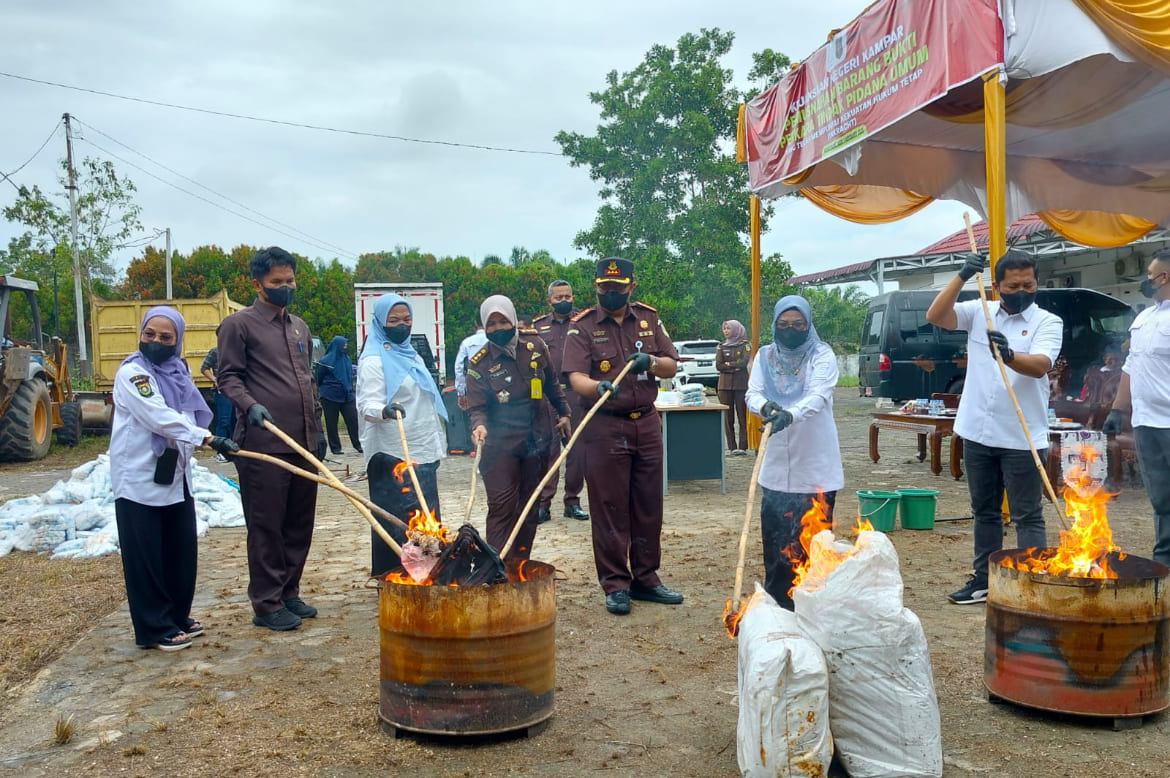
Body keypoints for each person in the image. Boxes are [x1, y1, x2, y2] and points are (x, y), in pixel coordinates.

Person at [926, 249, 1062, 604]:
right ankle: (984, 580)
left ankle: (1032, 582)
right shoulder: (979, 312)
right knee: (984, 511)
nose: (1021, 291)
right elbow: (936, 315)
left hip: (1022, 435)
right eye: (1013, 285)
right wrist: (961, 275)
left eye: (1028, 284)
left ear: (1036, 283)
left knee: (1027, 515)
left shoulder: (1048, 321)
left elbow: (1041, 365)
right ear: (997, 286)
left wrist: (1011, 355)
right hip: (976, 431)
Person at [110, 306, 238, 651]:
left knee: (179, 550)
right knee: (147, 555)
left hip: (175, 476)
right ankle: (154, 627)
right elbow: (157, 415)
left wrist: (200, 435)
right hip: (139, 476)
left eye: (166, 337)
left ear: (177, 339)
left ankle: (177, 615)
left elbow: (184, 410)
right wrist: (205, 437)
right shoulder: (133, 373)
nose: (156, 342)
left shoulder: (178, 371)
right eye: (149, 334)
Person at [562, 256, 684, 615]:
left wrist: (652, 363)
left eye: (617, 289)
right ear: (596, 287)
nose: (610, 294)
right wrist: (595, 387)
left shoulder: (648, 318)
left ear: (632, 287)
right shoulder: (581, 326)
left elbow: (671, 364)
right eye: (604, 289)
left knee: (648, 505)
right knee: (609, 506)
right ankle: (616, 584)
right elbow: (575, 377)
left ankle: (646, 579)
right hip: (604, 425)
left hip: (645, 422)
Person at [217, 246, 324, 631]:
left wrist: (319, 430)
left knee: (299, 523)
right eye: (277, 282)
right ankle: (266, 603)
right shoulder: (238, 325)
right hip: (263, 445)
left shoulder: (299, 327)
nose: (285, 287)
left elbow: (308, 381)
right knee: (267, 526)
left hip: (302, 444)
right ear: (257, 283)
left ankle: (289, 593)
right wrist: (250, 406)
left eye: (290, 281)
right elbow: (227, 376)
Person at [745, 297, 843, 609]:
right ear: (775, 325)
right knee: (776, 547)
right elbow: (753, 393)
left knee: (814, 547)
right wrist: (766, 407)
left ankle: (814, 609)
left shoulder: (822, 355)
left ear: (808, 325)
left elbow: (817, 395)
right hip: (774, 464)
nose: (791, 330)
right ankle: (777, 610)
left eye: (798, 325)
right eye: (784, 325)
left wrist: (790, 414)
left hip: (816, 464)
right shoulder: (764, 356)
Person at [466, 295, 570, 561]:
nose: (498, 328)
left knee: (529, 506)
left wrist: (564, 413)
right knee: (502, 506)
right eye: (492, 324)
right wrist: (479, 426)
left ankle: (519, 565)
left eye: (503, 321)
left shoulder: (535, 345)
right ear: (483, 327)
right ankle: (497, 567)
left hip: (537, 440)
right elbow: (476, 407)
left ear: (513, 320)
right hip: (499, 446)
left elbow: (552, 385)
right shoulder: (479, 363)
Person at [356, 293, 448, 576]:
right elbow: (365, 404)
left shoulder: (412, 354)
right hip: (392, 453)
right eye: (394, 320)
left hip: (421, 448)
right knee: (396, 520)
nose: (402, 325)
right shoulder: (374, 359)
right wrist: (384, 410)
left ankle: (426, 572)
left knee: (425, 514)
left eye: (407, 319)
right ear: (381, 323)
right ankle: (394, 576)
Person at [1103, 250, 1170, 564]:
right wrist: (1117, 409)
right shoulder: (1144, 317)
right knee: (1160, 497)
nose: (1146, 279)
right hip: (1146, 423)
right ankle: (1164, 558)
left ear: (1164, 277)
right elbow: (1131, 366)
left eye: (1149, 274)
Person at [533, 280, 590, 523]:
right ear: (549, 301)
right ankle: (543, 504)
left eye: (567, 296)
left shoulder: (584, 322)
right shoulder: (538, 327)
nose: (564, 300)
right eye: (558, 297)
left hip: (577, 395)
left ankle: (572, 501)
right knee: (548, 451)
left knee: (577, 451)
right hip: (548, 398)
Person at [316, 335, 362, 455]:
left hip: (347, 395)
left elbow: (349, 375)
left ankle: (358, 445)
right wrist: (323, 390)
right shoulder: (325, 361)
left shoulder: (346, 359)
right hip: (330, 396)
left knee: (353, 420)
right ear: (337, 346)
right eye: (344, 345)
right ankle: (335, 448)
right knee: (331, 423)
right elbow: (318, 378)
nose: (345, 347)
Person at [716, 319, 751, 455]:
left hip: (741, 385)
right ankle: (732, 447)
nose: (726, 331)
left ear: (736, 329)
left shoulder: (745, 345)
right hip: (724, 386)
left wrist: (728, 365)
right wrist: (733, 366)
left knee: (742, 416)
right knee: (727, 417)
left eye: (728, 328)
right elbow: (719, 365)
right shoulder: (721, 346)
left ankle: (743, 446)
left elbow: (744, 362)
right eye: (724, 329)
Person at [200, 346, 236, 461]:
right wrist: (215, 380)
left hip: (236, 390)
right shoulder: (215, 351)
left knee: (234, 421)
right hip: (222, 392)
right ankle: (221, 453)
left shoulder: (237, 350)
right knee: (224, 421)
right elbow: (204, 368)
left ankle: (232, 451)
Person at [454, 316, 488, 411]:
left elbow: (459, 369)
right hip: (496, 390)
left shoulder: (467, 343)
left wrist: (461, 393)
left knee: (476, 417)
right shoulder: (497, 341)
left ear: (475, 323)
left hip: (473, 389)